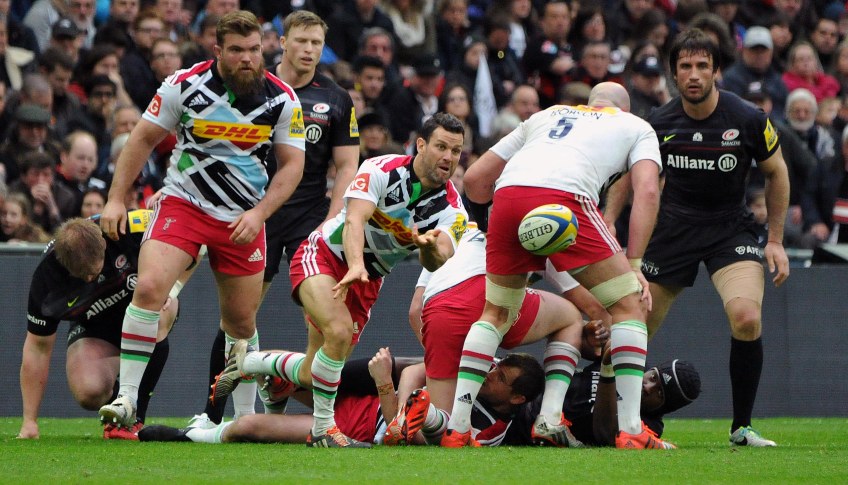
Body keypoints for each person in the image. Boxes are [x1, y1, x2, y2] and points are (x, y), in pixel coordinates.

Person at [96, 10, 306, 430]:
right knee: (150, 287)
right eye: (237, 50)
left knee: (241, 322)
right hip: (184, 204)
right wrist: (116, 199)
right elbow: (142, 138)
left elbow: (292, 166)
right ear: (218, 51)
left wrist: (259, 213)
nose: (247, 58)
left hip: (243, 216)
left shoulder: (283, 99)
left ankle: (244, 420)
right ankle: (127, 399)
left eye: (254, 50)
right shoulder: (183, 85)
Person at [212, 112, 468, 448]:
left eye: (456, 151)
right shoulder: (380, 168)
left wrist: (429, 248)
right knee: (338, 330)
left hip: (367, 281)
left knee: (314, 373)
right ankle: (324, 429)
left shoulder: (454, 211)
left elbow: (439, 256)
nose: (448, 157)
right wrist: (356, 264)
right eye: (441, 147)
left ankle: (248, 361)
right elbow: (354, 221)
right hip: (325, 255)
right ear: (421, 145)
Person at [458, 81, 665, 449]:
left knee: (495, 313)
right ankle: (632, 429)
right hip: (565, 199)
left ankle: (458, 428)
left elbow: (474, 180)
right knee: (630, 305)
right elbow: (648, 191)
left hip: (508, 196)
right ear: (625, 109)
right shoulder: (636, 126)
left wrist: (500, 226)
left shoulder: (547, 114)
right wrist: (634, 264)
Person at [609, 29, 790, 447]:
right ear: (674, 74)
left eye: (702, 66)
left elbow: (777, 171)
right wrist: (610, 222)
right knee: (631, 325)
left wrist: (775, 239)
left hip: (730, 229)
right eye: (685, 66)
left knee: (747, 317)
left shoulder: (747, 118)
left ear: (716, 71)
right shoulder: (657, 123)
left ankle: (741, 427)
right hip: (673, 231)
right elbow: (628, 176)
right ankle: (605, 420)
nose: (693, 74)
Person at [192, 10, 360, 428]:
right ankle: (215, 415)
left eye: (316, 43)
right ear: (282, 43)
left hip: (310, 219)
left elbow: (347, 167)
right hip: (257, 213)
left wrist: (332, 222)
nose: (308, 50)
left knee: (324, 319)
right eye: (301, 41)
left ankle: (320, 415)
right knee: (239, 317)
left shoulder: (337, 99)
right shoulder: (257, 88)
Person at [411, 222, 609, 447]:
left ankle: (431, 417)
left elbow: (415, 310)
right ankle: (550, 418)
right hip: (483, 292)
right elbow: (592, 306)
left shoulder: (454, 225)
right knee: (570, 316)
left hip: (436, 311)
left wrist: (449, 357)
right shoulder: (532, 223)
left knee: (441, 430)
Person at [17, 214, 185, 440]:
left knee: (162, 310)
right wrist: (29, 422)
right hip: (96, 329)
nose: (90, 279)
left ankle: (133, 420)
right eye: (82, 275)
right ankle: (117, 406)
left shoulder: (127, 226)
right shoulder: (46, 280)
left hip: (145, 310)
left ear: (105, 244)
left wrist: (173, 287)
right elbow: (37, 349)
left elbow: (190, 237)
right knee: (88, 391)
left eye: (94, 271)